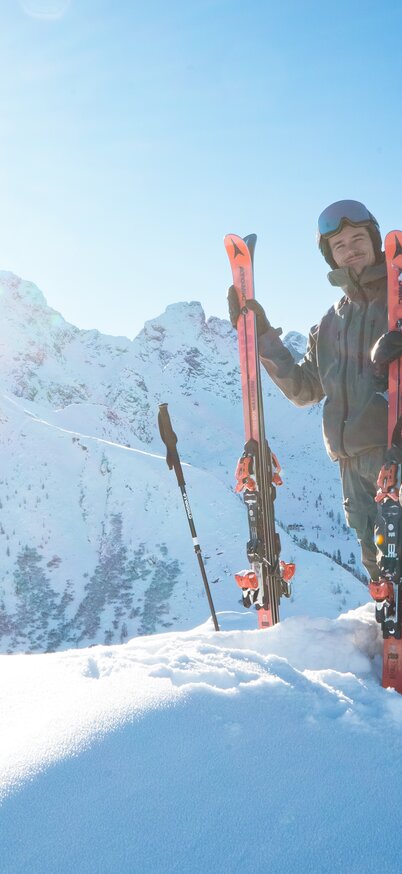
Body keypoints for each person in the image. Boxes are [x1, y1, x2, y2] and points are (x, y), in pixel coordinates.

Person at [228, 199, 401, 598]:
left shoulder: (398, 303)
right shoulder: (329, 323)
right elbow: (304, 388)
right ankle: (391, 639)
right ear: (330, 256)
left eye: (358, 238)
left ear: (376, 242)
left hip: (395, 450)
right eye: (339, 245)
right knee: (378, 567)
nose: (351, 249)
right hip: (349, 465)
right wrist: (263, 334)